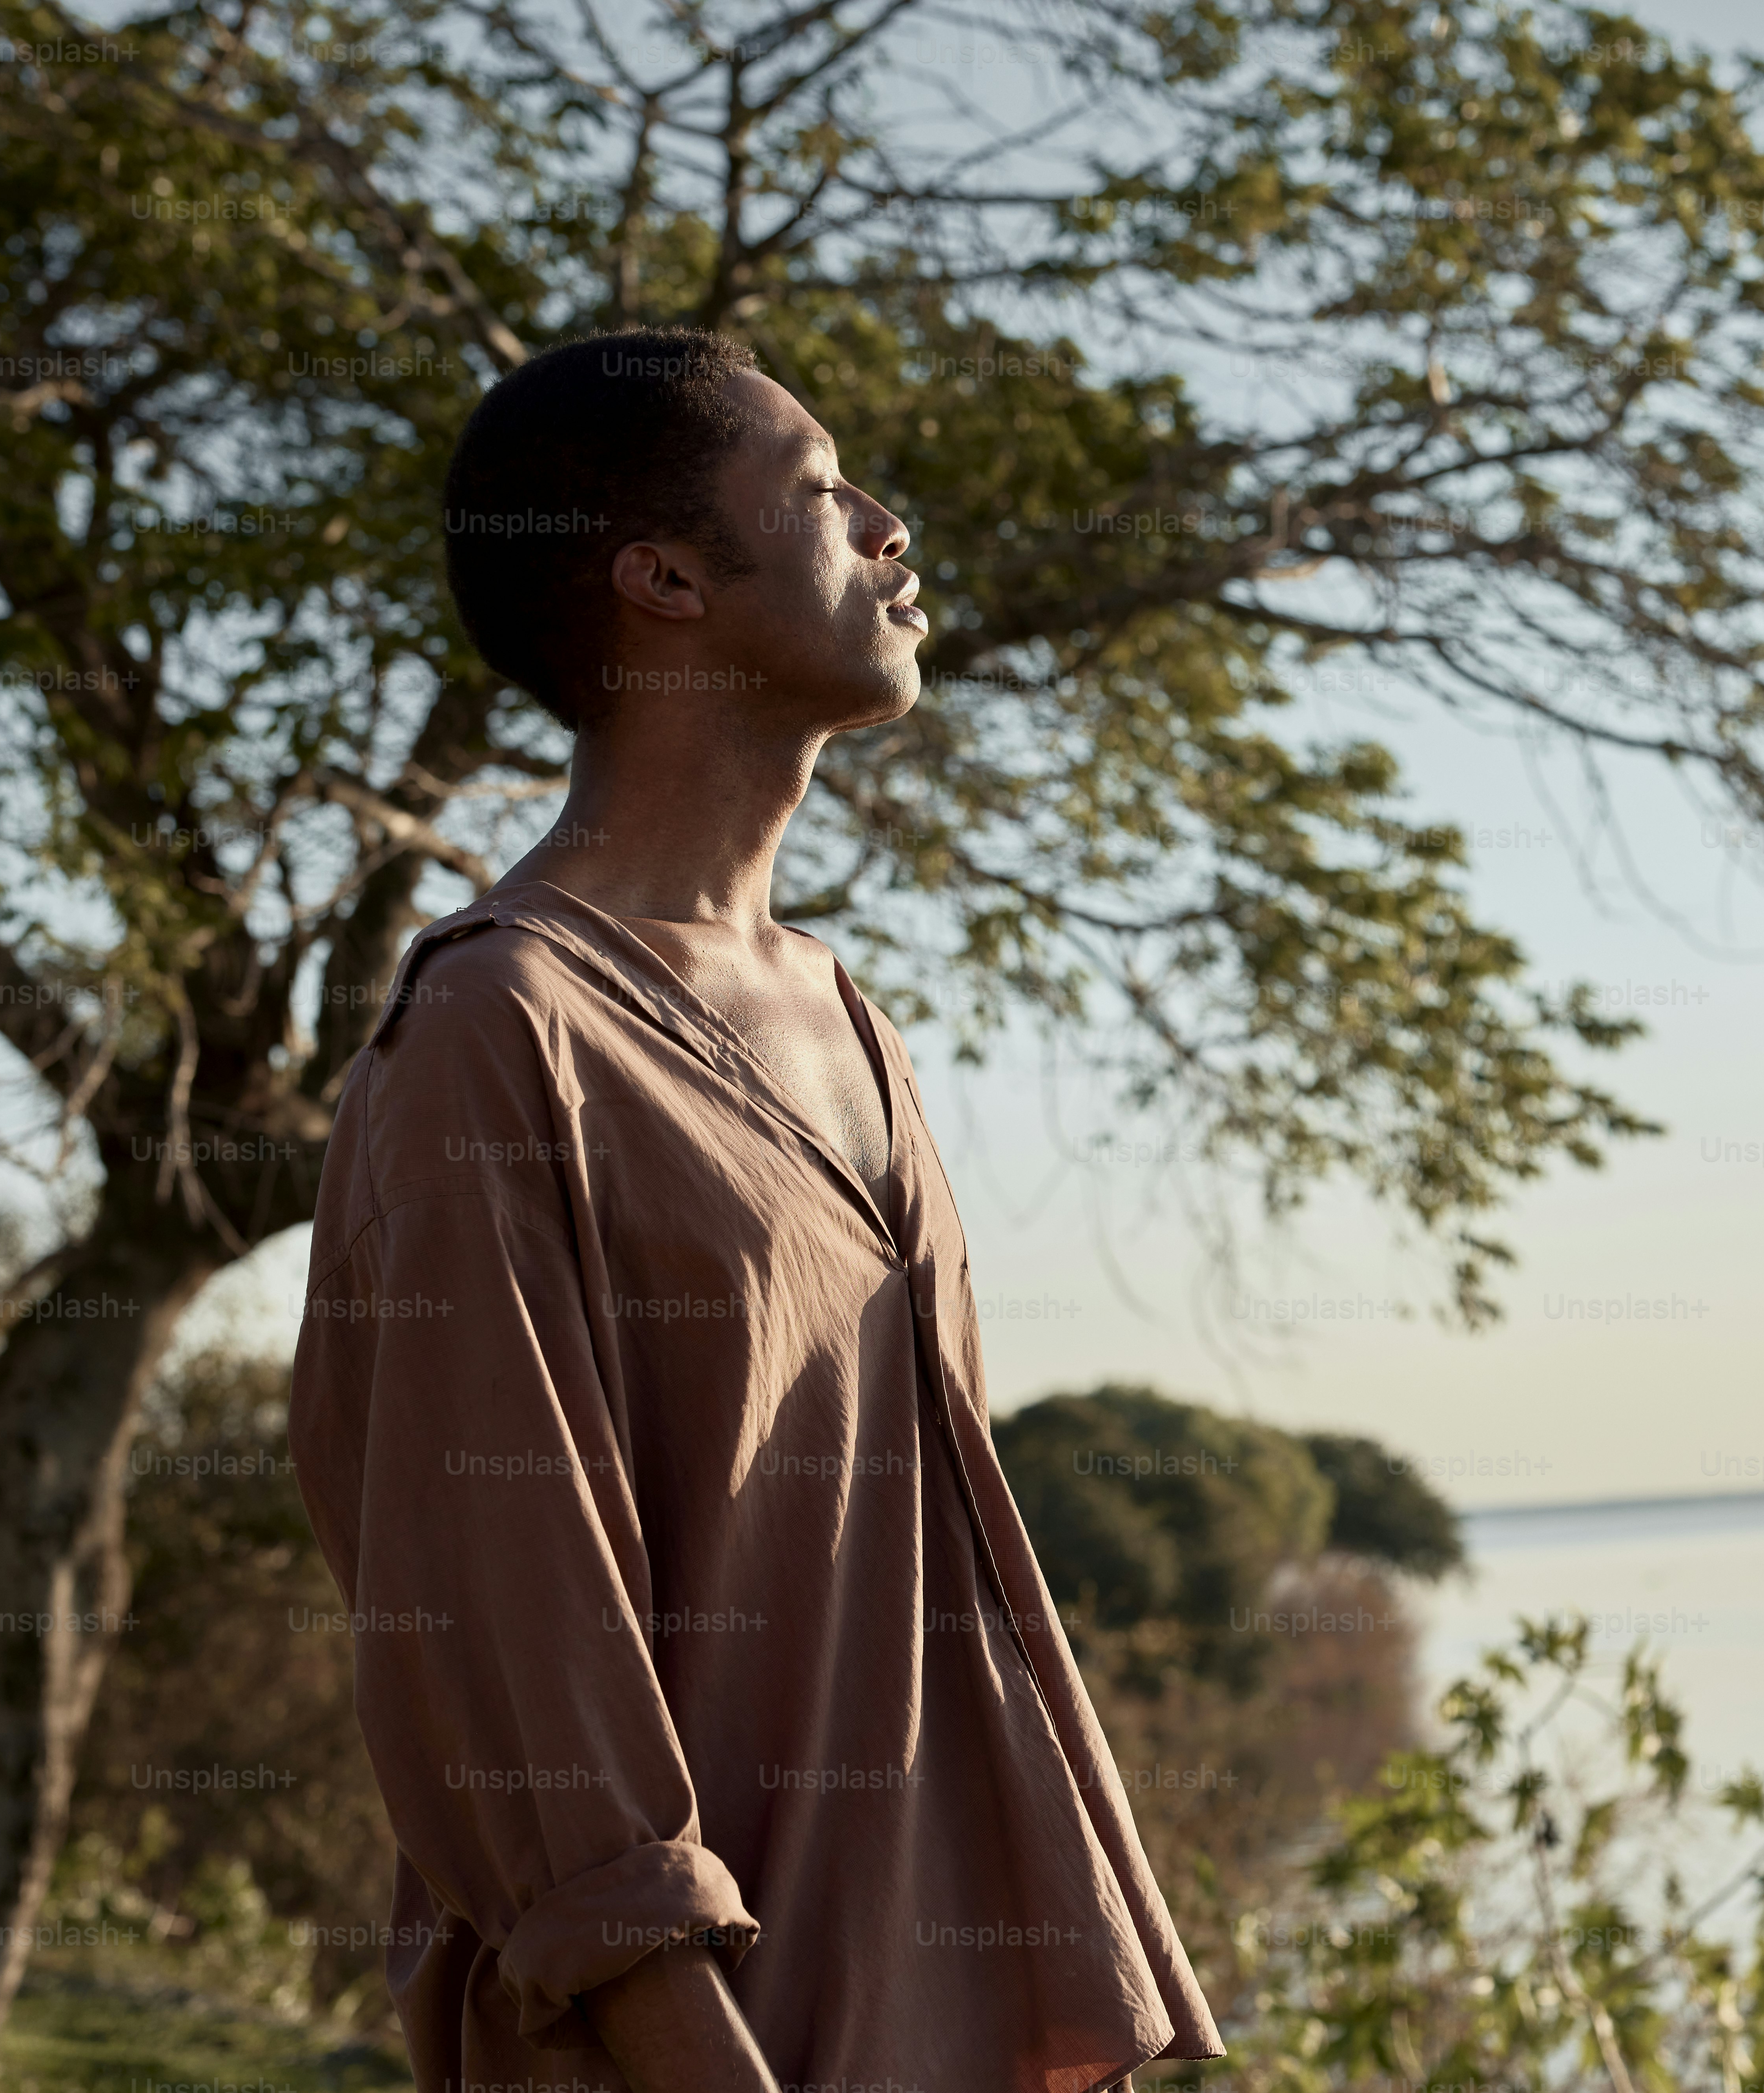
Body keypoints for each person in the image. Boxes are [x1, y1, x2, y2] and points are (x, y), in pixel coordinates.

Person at [289, 327, 1221, 2093]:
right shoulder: (503, 1029)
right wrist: (687, 2043)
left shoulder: (849, 1015)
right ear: (660, 580)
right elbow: (489, 1610)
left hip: (935, 1993)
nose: (886, 526)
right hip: (694, 2044)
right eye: (816, 492)